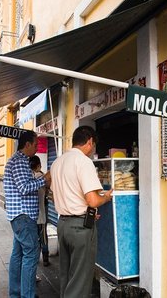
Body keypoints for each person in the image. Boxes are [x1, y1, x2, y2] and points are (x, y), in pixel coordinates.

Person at [50, 125, 113, 298]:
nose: (93, 149)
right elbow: (93, 200)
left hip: (62, 224)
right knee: (80, 280)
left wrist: (82, 211)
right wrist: (106, 198)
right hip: (80, 229)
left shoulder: (57, 162)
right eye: (93, 145)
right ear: (90, 141)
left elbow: (56, 194)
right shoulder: (84, 162)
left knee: (67, 276)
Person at [3, 131, 51, 298]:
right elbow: (24, 188)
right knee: (31, 254)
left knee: (18, 255)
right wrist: (44, 179)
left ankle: (17, 293)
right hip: (23, 217)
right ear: (28, 144)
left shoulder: (20, 160)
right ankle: (27, 295)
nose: (37, 148)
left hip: (20, 216)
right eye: (36, 144)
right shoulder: (19, 162)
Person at [29, 155, 50, 271]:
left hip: (31, 216)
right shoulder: (41, 177)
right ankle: (45, 258)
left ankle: (35, 259)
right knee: (43, 237)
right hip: (40, 215)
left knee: (34, 238)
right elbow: (48, 188)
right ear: (38, 166)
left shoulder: (29, 177)